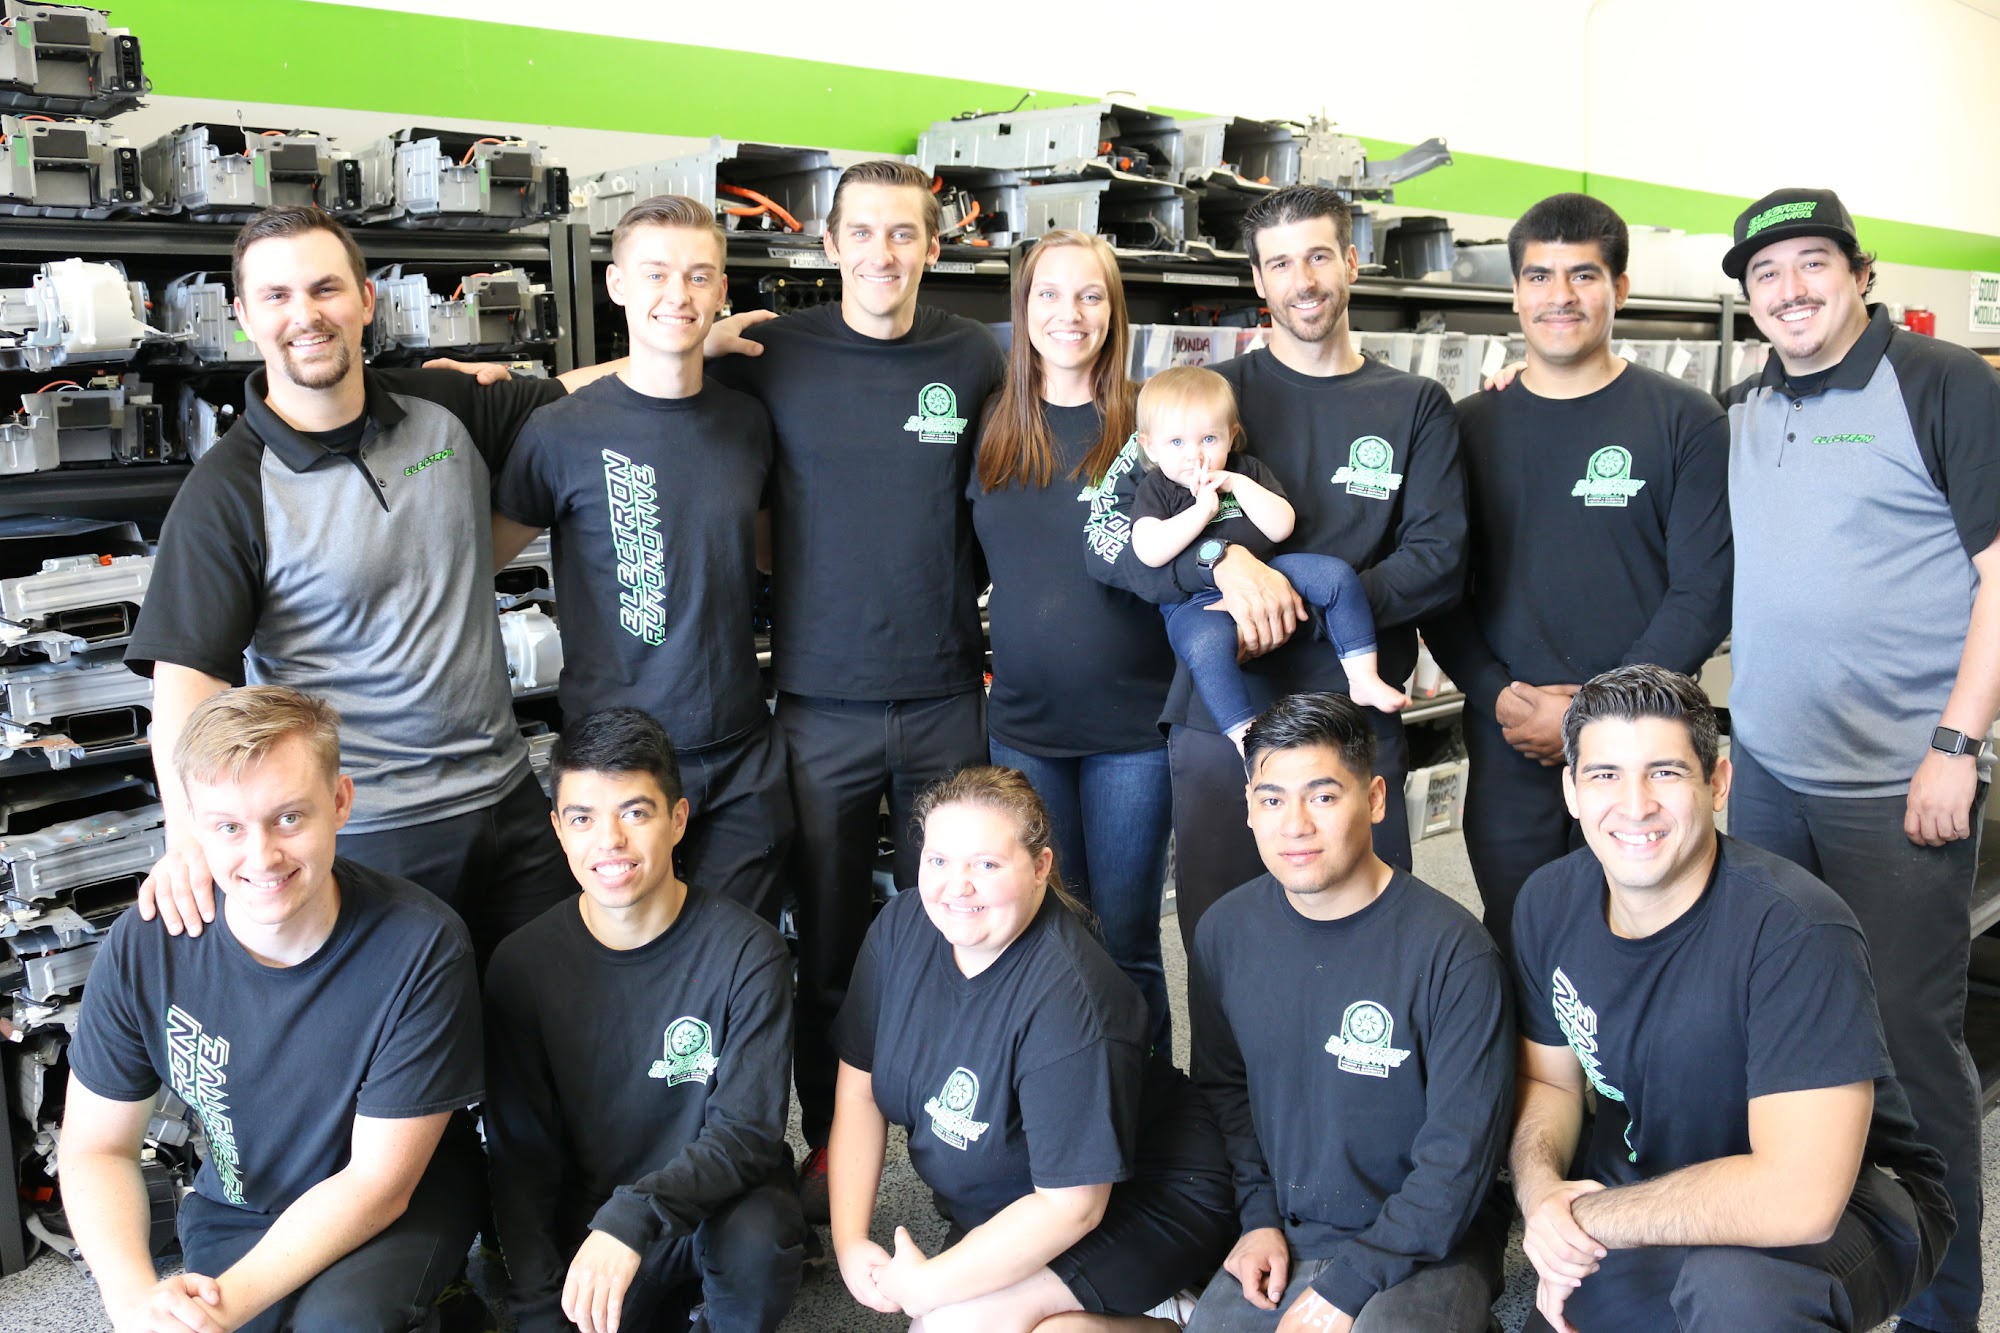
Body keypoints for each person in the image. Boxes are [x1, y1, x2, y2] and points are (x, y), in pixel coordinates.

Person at [123, 203, 614, 965]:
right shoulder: (229, 490)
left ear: (365, 300)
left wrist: (683, 344)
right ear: (245, 318)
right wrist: (189, 839)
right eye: (277, 296)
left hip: (511, 800)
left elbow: (573, 394)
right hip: (373, 832)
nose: (305, 315)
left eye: (325, 288)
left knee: (547, 1016)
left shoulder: (441, 408)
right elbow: (187, 683)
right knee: (411, 1034)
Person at [1721, 186, 1999, 1333]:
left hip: (1898, 783)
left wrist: (1956, 744)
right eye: (1765, 273)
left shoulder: (1941, 384)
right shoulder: (1740, 406)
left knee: (1907, 1047)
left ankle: (1942, 1308)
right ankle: (1808, 1267)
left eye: (1810, 263)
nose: (1788, 289)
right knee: (1779, 1029)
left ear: (1858, 273)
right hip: (1766, 774)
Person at [707, 159, 1007, 1210]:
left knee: (965, 924)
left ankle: (965, 1139)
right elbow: (670, 396)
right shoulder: (772, 350)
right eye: (864, 233)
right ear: (828, 245)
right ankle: (833, 1144)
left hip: (944, 693)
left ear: (933, 245)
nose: (884, 253)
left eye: (904, 233)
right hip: (818, 703)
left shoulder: (971, 355)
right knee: (829, 940)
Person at [1510, 664, 1953, 1333]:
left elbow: (1799, 1197)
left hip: (1848, 1202)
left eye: (1664, 772)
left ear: (1717, 784)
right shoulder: (1548, 901)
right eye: (1604, 775)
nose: (1634, 805)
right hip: (1650, 1192)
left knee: (1738, 1296)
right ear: (1572, 790)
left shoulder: (1797, 930)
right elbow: (1549, 1079)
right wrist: (1543, 1193)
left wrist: (1584, 1218)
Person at [1085, 184, 1467, 954]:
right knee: (1224, 944)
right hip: (1222, 719)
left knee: (1374, 946)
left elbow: (1439, 562)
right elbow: (1103, 537)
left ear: (1351, 262)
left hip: (1352, 710)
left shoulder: (1416, 403)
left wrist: (1289, 598)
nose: (1304, 280)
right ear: (1258, 279)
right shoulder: (1199, 399)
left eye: (1319, 256)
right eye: (1282, 263)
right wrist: (1218, 561)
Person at [61, 686, 484, 1333]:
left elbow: (377, 1186)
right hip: (241, 1204)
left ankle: (444, 1304)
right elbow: (96, 1146)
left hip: (394, 1202)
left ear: (339, 801)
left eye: (288, 818)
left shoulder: (422, 946)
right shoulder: (146, 944)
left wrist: (213, 1313)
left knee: (339, 1325)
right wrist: (136, 1304)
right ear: (194, 824)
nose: (261, 856)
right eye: (229, 826)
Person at [1422, 193, 1731, 960]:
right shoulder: (1466, 427)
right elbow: (1441, 586)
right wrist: (1498, 694)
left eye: (1583, 275)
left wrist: (1597, 712)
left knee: (1656, 938)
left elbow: (1704, 592)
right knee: (1521, 937)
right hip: (1511, 735)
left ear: (1619, 288)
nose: (1559, 296)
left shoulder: (1686, 420)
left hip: (1645, 738)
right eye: (1539, 276)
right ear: (1515, 292)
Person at [828, 766, 1235, 1331]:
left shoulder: (1075, 1000)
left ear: (1041, 866)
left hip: (1143, 1198)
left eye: (986, 864)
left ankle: (1169, 1312)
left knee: (948, 1326)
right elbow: (859, 1091)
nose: (956, 886)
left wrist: (927, 1285)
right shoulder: (901, 928)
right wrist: (850, 1241)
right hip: (1016, 1198)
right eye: (938, 860)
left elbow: (1072, 1207)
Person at [491, 194, 793, 924]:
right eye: (655, 273)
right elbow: (468, 569)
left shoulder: (748, 422)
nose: (677, 294)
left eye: (698, 276)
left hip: (740, 751)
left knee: (738, 951)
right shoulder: (559, 432)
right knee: (625, 953)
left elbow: (769, 555)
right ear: (617, 284)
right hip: (614, 761)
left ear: (721, 291)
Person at [1187, 692, 1510, 1333]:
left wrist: (1353, 1282)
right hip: (1291, 1229)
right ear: (1248, 807)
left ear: (1376, 799)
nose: (1295, 825)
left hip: (1431, 1237)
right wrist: (1256, 1219)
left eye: (1324, 796)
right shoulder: (1224, 932)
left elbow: (1462, 1155)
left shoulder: (1455, 953)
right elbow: (1224, 1090)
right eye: (1271, 800)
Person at [483, 707, 804, 1333]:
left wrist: (637, 1212)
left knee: (757, 1242)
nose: (609, 841)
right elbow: (521, 1163)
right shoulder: (520, 966)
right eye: (583, 818)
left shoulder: (748, 951)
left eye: (635, 812)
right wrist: (538, 1310)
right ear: (558, 829)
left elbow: (747, 1133)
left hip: (715, 1208)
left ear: (677, 819)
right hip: (598, 1229)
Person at [967, 228, 1176, 1055]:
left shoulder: (1151, 423)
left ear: (1114, 310)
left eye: (1091, 294)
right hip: (1025, 729)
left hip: (1134, 733)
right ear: (1024, 309)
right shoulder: (991, 429)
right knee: (1044, 936)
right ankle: (1062, 1100)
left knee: (1126, 941)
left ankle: (1150, 1111)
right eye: (1049, 294)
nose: (1070, 312)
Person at [1130, 368, 1408, 754]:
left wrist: (1238, 485)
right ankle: (1242, 731)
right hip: (1195, 603)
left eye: (1209, 439)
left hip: (1269, 571)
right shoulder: (1157, 488)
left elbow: (1281, 527)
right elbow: (1148, 550)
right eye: (1177, 442)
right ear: (1150, 446)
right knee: (1207, 646)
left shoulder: (1246, 470)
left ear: (1231, 435)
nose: (1195, 455)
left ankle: (1362, 676)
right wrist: (1202, 511)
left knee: (1336, 576)